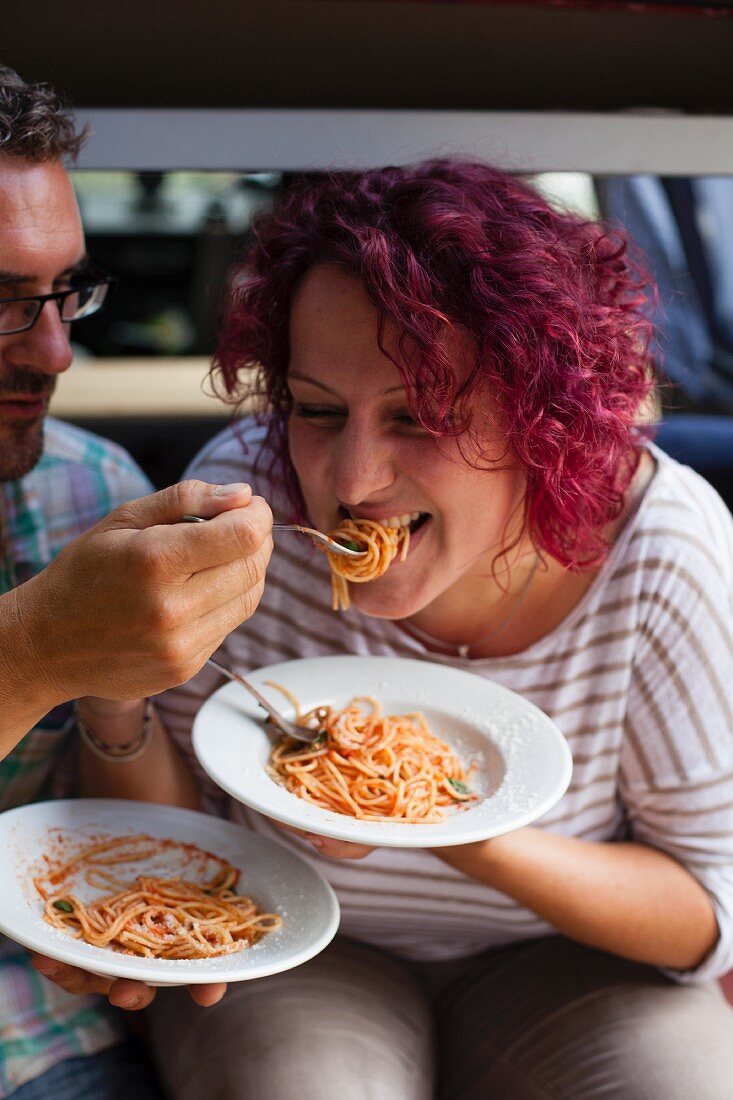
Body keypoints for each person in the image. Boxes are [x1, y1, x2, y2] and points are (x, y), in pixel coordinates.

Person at [45, 162, 733, 1097]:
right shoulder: (246, 502)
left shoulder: (662, 549)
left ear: (545, 422)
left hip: (570, 965)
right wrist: (114, 690)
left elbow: (705, 909)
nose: (353, 480)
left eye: (421, 416)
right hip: (293, 936)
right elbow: (177, 843)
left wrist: (449, 828)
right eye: (318, 410)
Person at [0, 65, 272, 1098]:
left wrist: (114, 677)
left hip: (56, 1037)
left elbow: (126, 836)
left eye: (64, 291)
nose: (57, 351)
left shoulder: (88, 486)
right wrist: (34, 648)